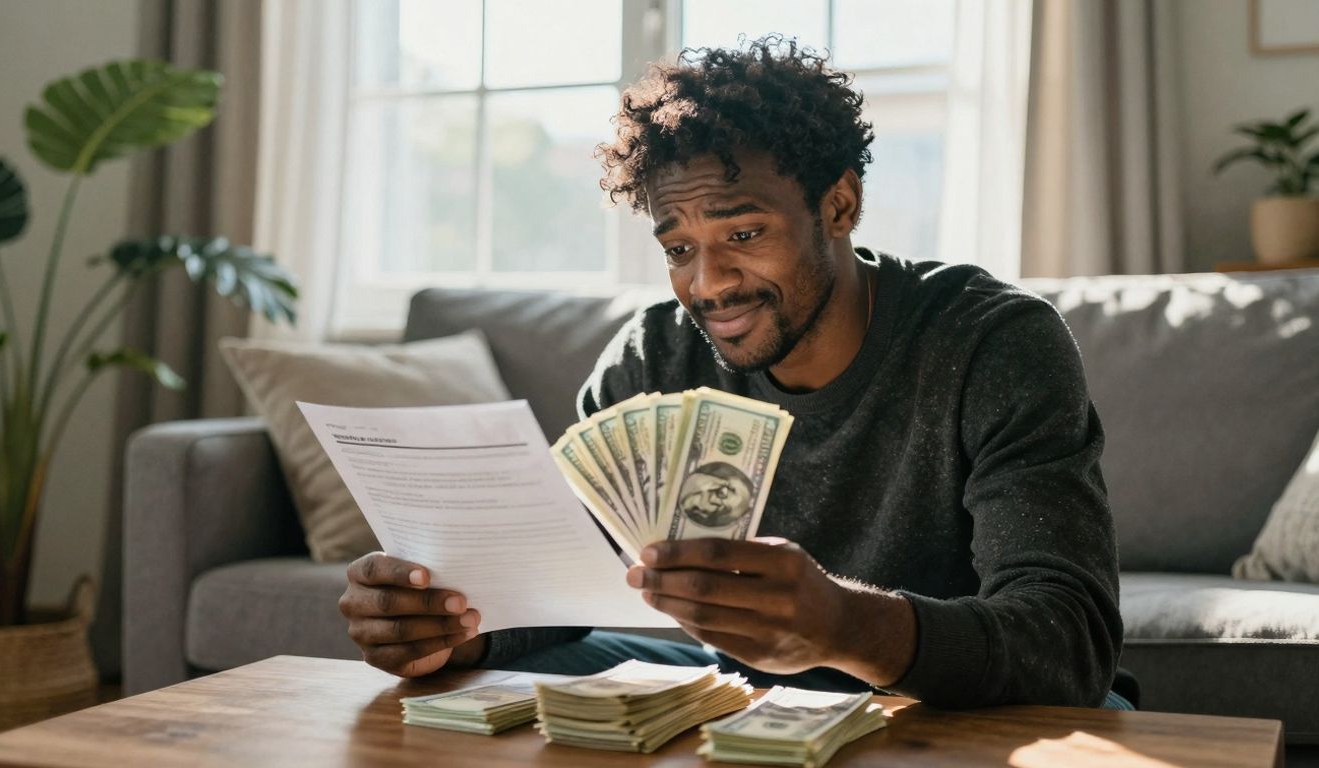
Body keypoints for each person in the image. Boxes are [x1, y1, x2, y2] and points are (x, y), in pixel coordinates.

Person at [338, 36, 1130, 710]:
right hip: (744, 685)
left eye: (744, 231)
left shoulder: (993, 342)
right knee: (492, 692)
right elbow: (558, 596)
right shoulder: (655, 358)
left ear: (839, 206)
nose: (709, 284)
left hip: (952, 696)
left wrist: (844, 626)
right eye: (679, 248)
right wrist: (447, 627)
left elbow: (1067, 640)